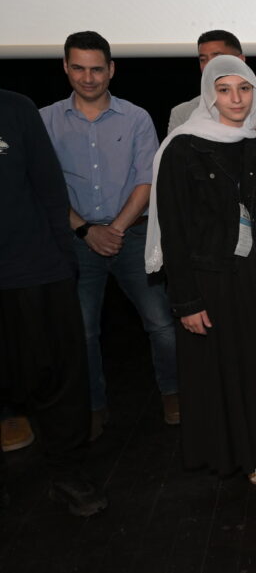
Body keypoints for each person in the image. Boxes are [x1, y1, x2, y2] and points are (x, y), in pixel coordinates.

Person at [145, 56, 256, 518]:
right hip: (212, 284)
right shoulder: (181, 148)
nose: (236, 99)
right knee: (232, 371)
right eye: (224, 89)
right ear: (209, 96)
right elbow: (174, 231)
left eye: (245, 88)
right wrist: (186, 300)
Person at [39, 31, 178, 441]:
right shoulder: (44, 120)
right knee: (81, 330)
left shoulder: (136, 118)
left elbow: (147, 180)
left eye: (97, 69)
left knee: (162, 323)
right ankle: (93, 406)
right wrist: (86, 230)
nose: (88, 77)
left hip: (132, 235)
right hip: (76, 238)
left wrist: (113, 230)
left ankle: (174, 393)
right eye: (78, 68)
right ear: (65, 68)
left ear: (111, 69)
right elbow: (44, 186)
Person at [0, 88, 108, 516]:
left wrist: (62, 261)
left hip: (35, 271)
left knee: (58, 383)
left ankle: (67, 476)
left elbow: (48, 186)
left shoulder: (15, 108)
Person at [168, 30, 256, 140]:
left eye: (218, 58)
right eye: (203, 59)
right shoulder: (182, 113)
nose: (209, 65)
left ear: (240, 60)